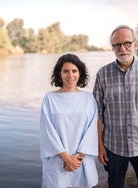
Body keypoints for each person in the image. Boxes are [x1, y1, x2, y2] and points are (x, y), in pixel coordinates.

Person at [93, 25, 138, 188]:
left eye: (127, 43)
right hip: (113, 146)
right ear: (112, 48)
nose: (122, 48)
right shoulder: (102, 74)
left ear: (135, 44)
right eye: (117, 45)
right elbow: (97, 114)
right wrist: (100, 146)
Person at [40, 53, 99, 188]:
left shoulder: (89, 98)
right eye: (65, 71)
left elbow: (92, 132)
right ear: (59, 74)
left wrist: (77, 159)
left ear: (80, 73)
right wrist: (67, 159)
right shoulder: (50, 99)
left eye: (74, 71)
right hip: (58, 161)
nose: (70, 75)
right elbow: (48, 132)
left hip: (82, 161)